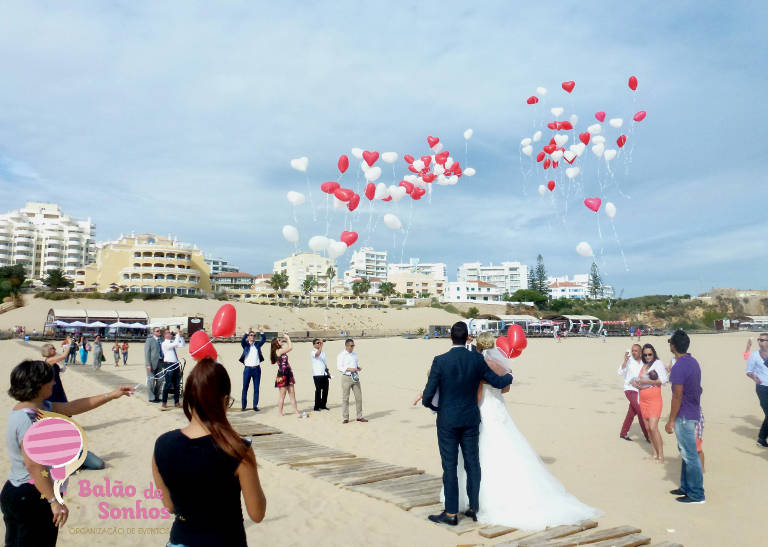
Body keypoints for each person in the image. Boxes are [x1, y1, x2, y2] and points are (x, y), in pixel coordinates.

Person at [447, 332, 601, 529]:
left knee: (481, 453)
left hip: (483, 411)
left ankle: (478, 500)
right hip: (499, 410)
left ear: (478, 345)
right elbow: (505, 389)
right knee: (507, 448)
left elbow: (477, 396)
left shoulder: (479, 365)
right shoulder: (500, 365)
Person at [1, 360, 133, 546]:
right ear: (39, 385)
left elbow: (73, 407)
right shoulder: (28, 418)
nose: (54, 383)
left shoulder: (38, 407)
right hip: (31, 494)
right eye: (51, 380)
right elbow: (34, 465)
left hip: (27, 493)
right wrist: (53, 501)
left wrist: (110, 395)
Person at [153, 358, 266, 547]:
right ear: (225, 401)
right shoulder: (238, 449)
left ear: (189, 399)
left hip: (181, 540)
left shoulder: (162, 445)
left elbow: (170, 506)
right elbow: (257, 513)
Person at [421, 323, 514, 526]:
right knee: (473, 464)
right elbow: (498, 382)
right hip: (470, 418)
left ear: (450, 337)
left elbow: (428, 394)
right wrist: (510, 375)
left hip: (447, 420)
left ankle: (451, 513)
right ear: (467, 338)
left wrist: (434, 407)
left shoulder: (440, 361)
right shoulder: (476, 359)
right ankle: (474, 508)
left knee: (450, 465)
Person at [664, 329, 705, 504]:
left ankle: (696, 494)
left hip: (685, 415)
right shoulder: (693, 362)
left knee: (690, 454)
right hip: (693, 411)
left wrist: (670, 420)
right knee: (686, 452)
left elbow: (677, 395)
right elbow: (698, 388)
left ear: (673, 346)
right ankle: (685, 486)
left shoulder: (679, 366)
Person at [632, 344, 668, 461]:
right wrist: (636, 383)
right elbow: (639, 381)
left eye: (650, 354)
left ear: (654, 354)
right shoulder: (644, 366)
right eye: (645, 354)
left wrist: (646, 381)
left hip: (654, 400)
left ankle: (661, 455)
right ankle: (654, 453)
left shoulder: (658, 363)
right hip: (643, 400)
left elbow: (663, 380)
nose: (648, 357)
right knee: (647, 428)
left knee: (653, 427)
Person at [617, 344, 650, 442]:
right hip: (630, 389)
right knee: (640, 410)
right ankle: (648, 436)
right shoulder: (629, 361)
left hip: (641, 390)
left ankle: (623, 433)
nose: (633, 352)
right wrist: (625, 361)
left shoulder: (644, 362)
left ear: (641, 352)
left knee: (631, 412)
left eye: (636, 351)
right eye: (633, 350)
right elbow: (620, 372)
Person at [745, 332, 768, 447]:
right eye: (759, 340)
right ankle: (762, 438)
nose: (759, 342)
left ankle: (762, 438)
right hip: (762, 388)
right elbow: (748, 371)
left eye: (762, 340)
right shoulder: (754, 355)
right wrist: (753, 377)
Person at [337, 338, 366, 424]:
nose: (353, 347)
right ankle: (346, 418)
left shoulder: (354, 354)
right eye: (351, 345)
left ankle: (359, 416)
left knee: (359, 397)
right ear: (346, 346)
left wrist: (357, 368)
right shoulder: (341, 355)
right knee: (345, 398)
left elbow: (355, 364)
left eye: (353, 345)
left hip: (355, 377)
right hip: (346, 377)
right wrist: (349, 369)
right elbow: (339, 367)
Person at [270, 334, 299, 417]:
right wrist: (288, 338)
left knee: (292, 393)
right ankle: (280, 412)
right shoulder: (278, 351)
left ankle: (295, 411)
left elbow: (285, 361)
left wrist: (290, 369)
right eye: (279, 340)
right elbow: (290, 347)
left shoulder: (281, 350)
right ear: (276, 343)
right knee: (283, 394)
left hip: (288, 373)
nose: (280, 341)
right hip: (282, 374)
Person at [239, 327, 266, 412]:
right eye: (251, 335)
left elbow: (264, 339)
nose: (253, 336)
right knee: (245, 388)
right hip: (247, 369)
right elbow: (242, 340)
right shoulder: (246, 345)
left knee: (256, 388)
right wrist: (246, 333)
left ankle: (255, 406)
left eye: (254, 335)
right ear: (249, 336)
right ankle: (243, 406)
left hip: (257, 369)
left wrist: (261, 332)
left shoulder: (257, 345)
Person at [161, 328, 185, 410]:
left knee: (177, 384)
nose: (170, 334)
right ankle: (164, 402)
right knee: (168, 384)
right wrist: (178, 334)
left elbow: (182, 345)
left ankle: (176, 402)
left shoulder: (172, 342)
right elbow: (175, 344)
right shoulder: (164, 343)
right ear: (164, 335)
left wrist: (181, 336)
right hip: (168, 364)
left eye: (170, 333)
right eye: (167, 333)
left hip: (176, 364)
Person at [144, 327, 164, 403]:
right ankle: (151, 397)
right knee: (151, 381)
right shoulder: (149, 340)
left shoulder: (162, 339)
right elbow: (147, 353)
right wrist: (148, 364)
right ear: (153, 332)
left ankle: (156, 396)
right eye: (157, 331)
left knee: (161, 380)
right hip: (151, 363)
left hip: (160, 362)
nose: (159, 332)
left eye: (160, 331)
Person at [311, 339, 330, 411]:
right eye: (317, 343)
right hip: (317, 374)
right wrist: (321, 347)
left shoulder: (323, 353)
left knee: (326, 390)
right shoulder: (313, 352)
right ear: (314, 345)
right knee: (318, 390)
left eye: (320, 343)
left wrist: (327, 371)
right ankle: (316, 406)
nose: (319, 344)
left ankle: (323, 405)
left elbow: (324, 362)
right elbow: (317, 355)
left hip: (324, 374)